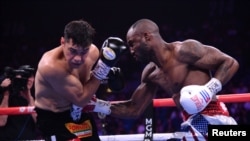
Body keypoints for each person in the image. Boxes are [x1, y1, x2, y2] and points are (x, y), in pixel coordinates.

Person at [85, 19, 240, 140]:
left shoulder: (185, 50)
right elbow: (134, 108)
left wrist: (208, 90)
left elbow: (230, 63)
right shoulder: (150, 73)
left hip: (217, 120)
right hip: (193, 127)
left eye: (132, 44)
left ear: (147, 37)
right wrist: (97, 105)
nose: (131, 51)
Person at [34, 19, 127, 141]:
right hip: (54, 117)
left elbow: (85, 82)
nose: (78, 58)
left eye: (84, 51)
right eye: (73, 51)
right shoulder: (50, 66)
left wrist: (106, 73)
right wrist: (103, 68)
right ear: (63, 42)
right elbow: (81, 98)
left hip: (80, 112)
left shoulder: (93, 52)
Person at [0, 65, 40, 140]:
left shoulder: (35, 98)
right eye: (26, 77)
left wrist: (28, 96)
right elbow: (1, 122)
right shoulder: (6, 95)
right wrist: (6, 94)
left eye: (31, 77)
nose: (29, 80)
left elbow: (39, 123)